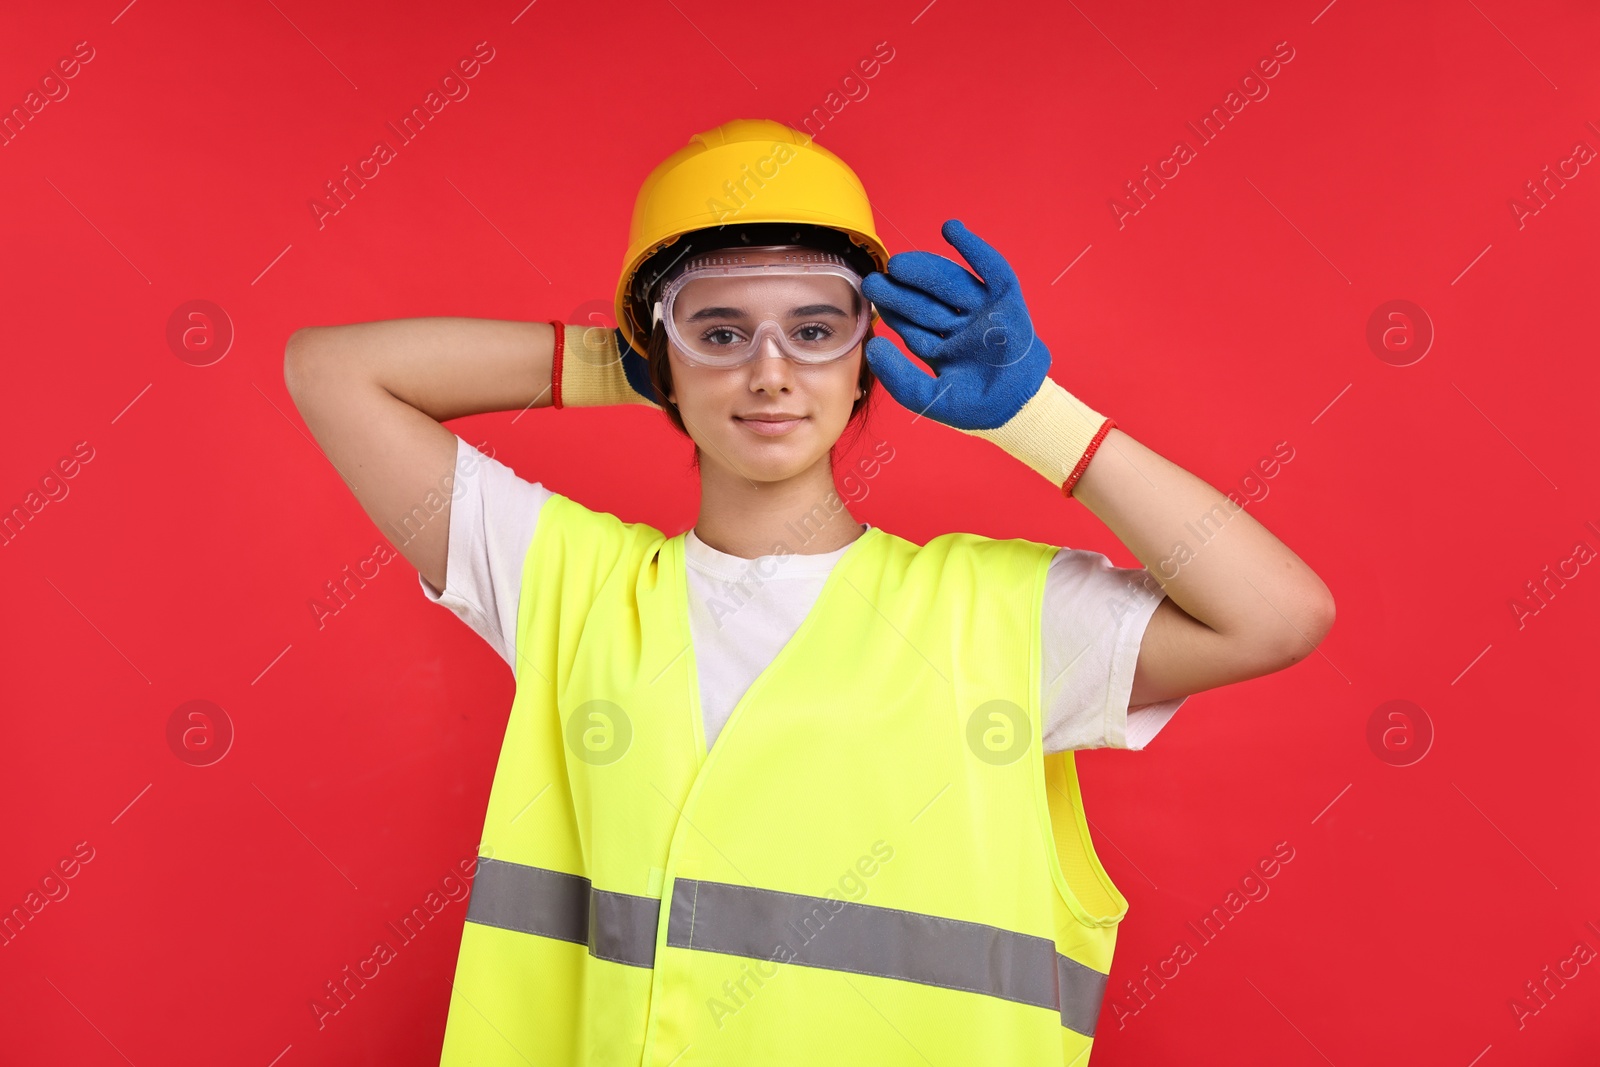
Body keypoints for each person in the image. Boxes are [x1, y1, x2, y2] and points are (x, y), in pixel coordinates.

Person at [283, 119, 1334, 1066]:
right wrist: (621, 358)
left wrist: (1034, 416)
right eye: (722, 330)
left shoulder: (993, 616)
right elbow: (331, 372)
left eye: (816, 330)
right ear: (663, 352)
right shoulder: (567, 584)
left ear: (866, 358)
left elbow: (1278, 614)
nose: (771, 372)